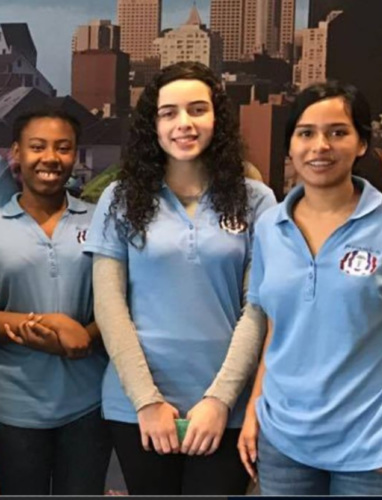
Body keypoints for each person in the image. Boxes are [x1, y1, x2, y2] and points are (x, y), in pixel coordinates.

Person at [83, 61, 275, 495]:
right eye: (168, 112)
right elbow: (109, 305)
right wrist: (147, 401)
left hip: (227, 408)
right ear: (152, 124)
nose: (183, 124)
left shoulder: (256, 199)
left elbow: (258, 307)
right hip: (138, 407)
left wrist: (220, 400)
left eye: (197, 110)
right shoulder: (121, 197)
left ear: (217, 119)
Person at [232, 81, 382, 495]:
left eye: (338, 132)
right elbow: (276, 330)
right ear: (290, 146)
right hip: (283, 440)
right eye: (306, 133)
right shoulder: (270, 227)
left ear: (361, 144)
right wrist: (254, 412)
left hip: (371, 448)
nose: (321, 146)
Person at [0, 109, 111, 495]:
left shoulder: (101, 222)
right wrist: (43, 327)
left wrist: (84, 336)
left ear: (75, 155)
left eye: (63, 148)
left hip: (88, 408)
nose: (50, 158)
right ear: (16, 152)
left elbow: (122, 305)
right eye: (37, 147)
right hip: (13, 411)